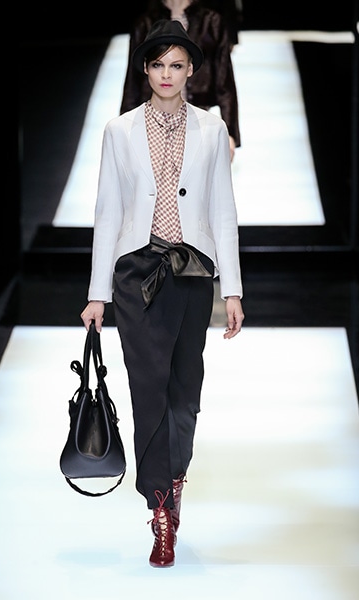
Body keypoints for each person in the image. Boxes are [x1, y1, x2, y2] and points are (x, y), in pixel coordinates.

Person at [81, 19, 244, 568]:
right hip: (136, 275)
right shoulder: (119, 130)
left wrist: (233, 289)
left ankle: (174, 479)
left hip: (193, 273)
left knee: (184, 389)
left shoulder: (212, 129)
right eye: (158, 64)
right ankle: (160, 509)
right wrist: (98, 293)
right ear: (145, 69)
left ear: (192, 69)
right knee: (147, 388)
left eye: (177, 64)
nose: (167, 74)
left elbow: (223, 210)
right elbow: (107, 212)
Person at [120, 0, 241, 161]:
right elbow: (132, 83)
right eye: (157, 64)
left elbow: (224, 81)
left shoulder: (211, 22)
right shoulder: (144, 24)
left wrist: (229, 132)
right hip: (152, 123)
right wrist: (125, 128)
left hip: (198, 121)